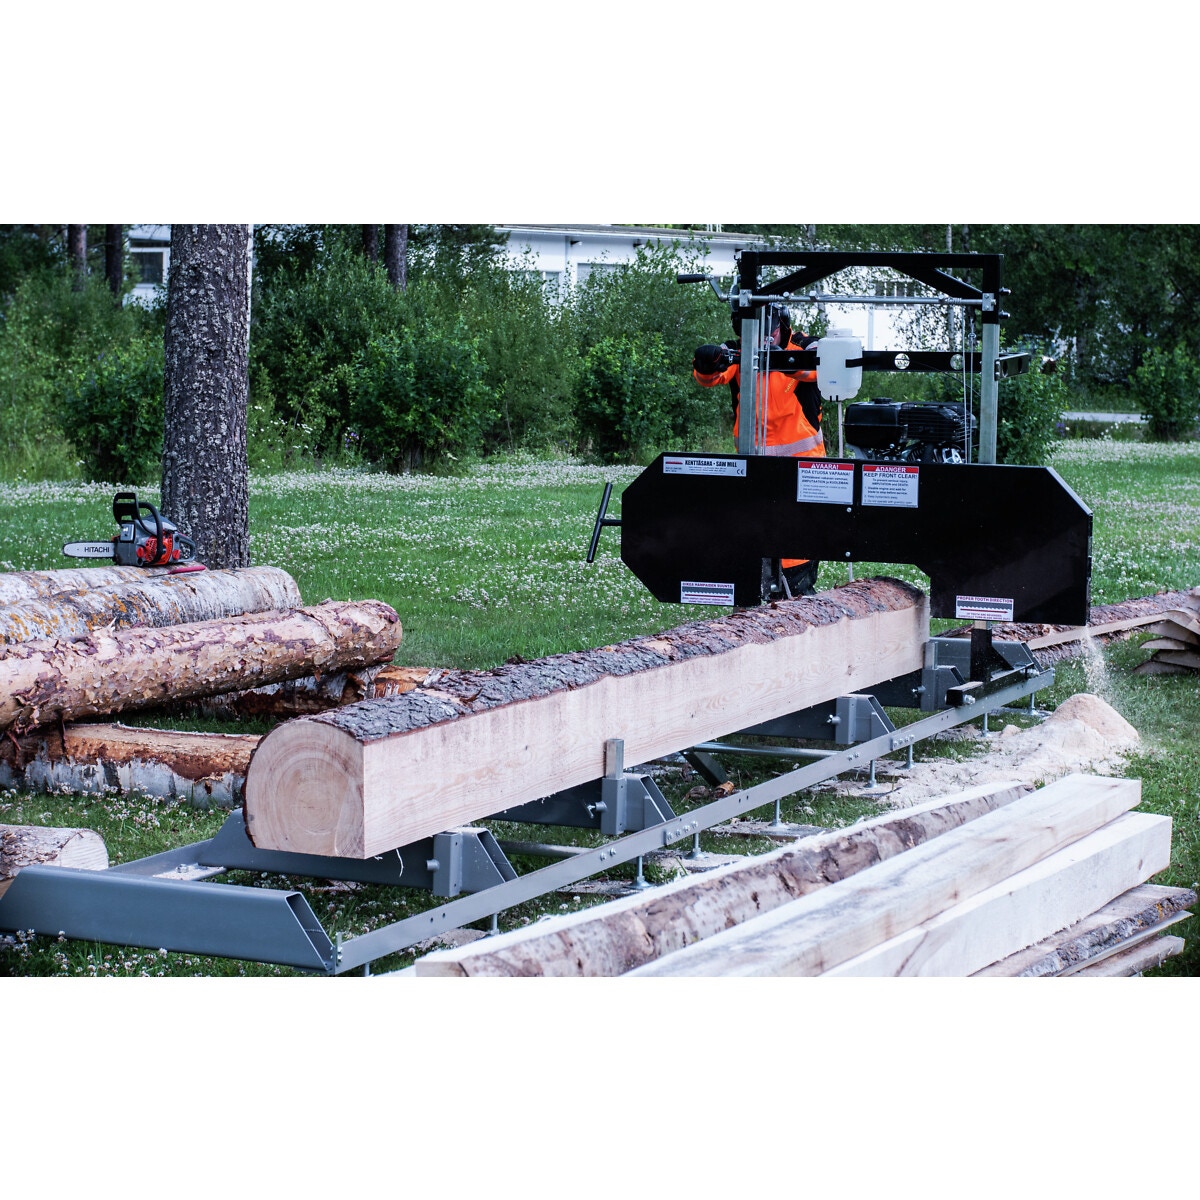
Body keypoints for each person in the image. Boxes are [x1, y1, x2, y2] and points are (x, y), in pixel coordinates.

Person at [692, 304, 824, 596]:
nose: (762, 340)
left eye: (770, 333)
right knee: (751, 543)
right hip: (753, 469)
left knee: (795, 551)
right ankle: (753, 608)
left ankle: (798, 600)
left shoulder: (803, 345)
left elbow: (816, 367)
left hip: (802, 469)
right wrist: (706, 362)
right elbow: (710, 377)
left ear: (782, 325)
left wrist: (779, 358)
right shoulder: (738, 351)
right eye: (752, 334)